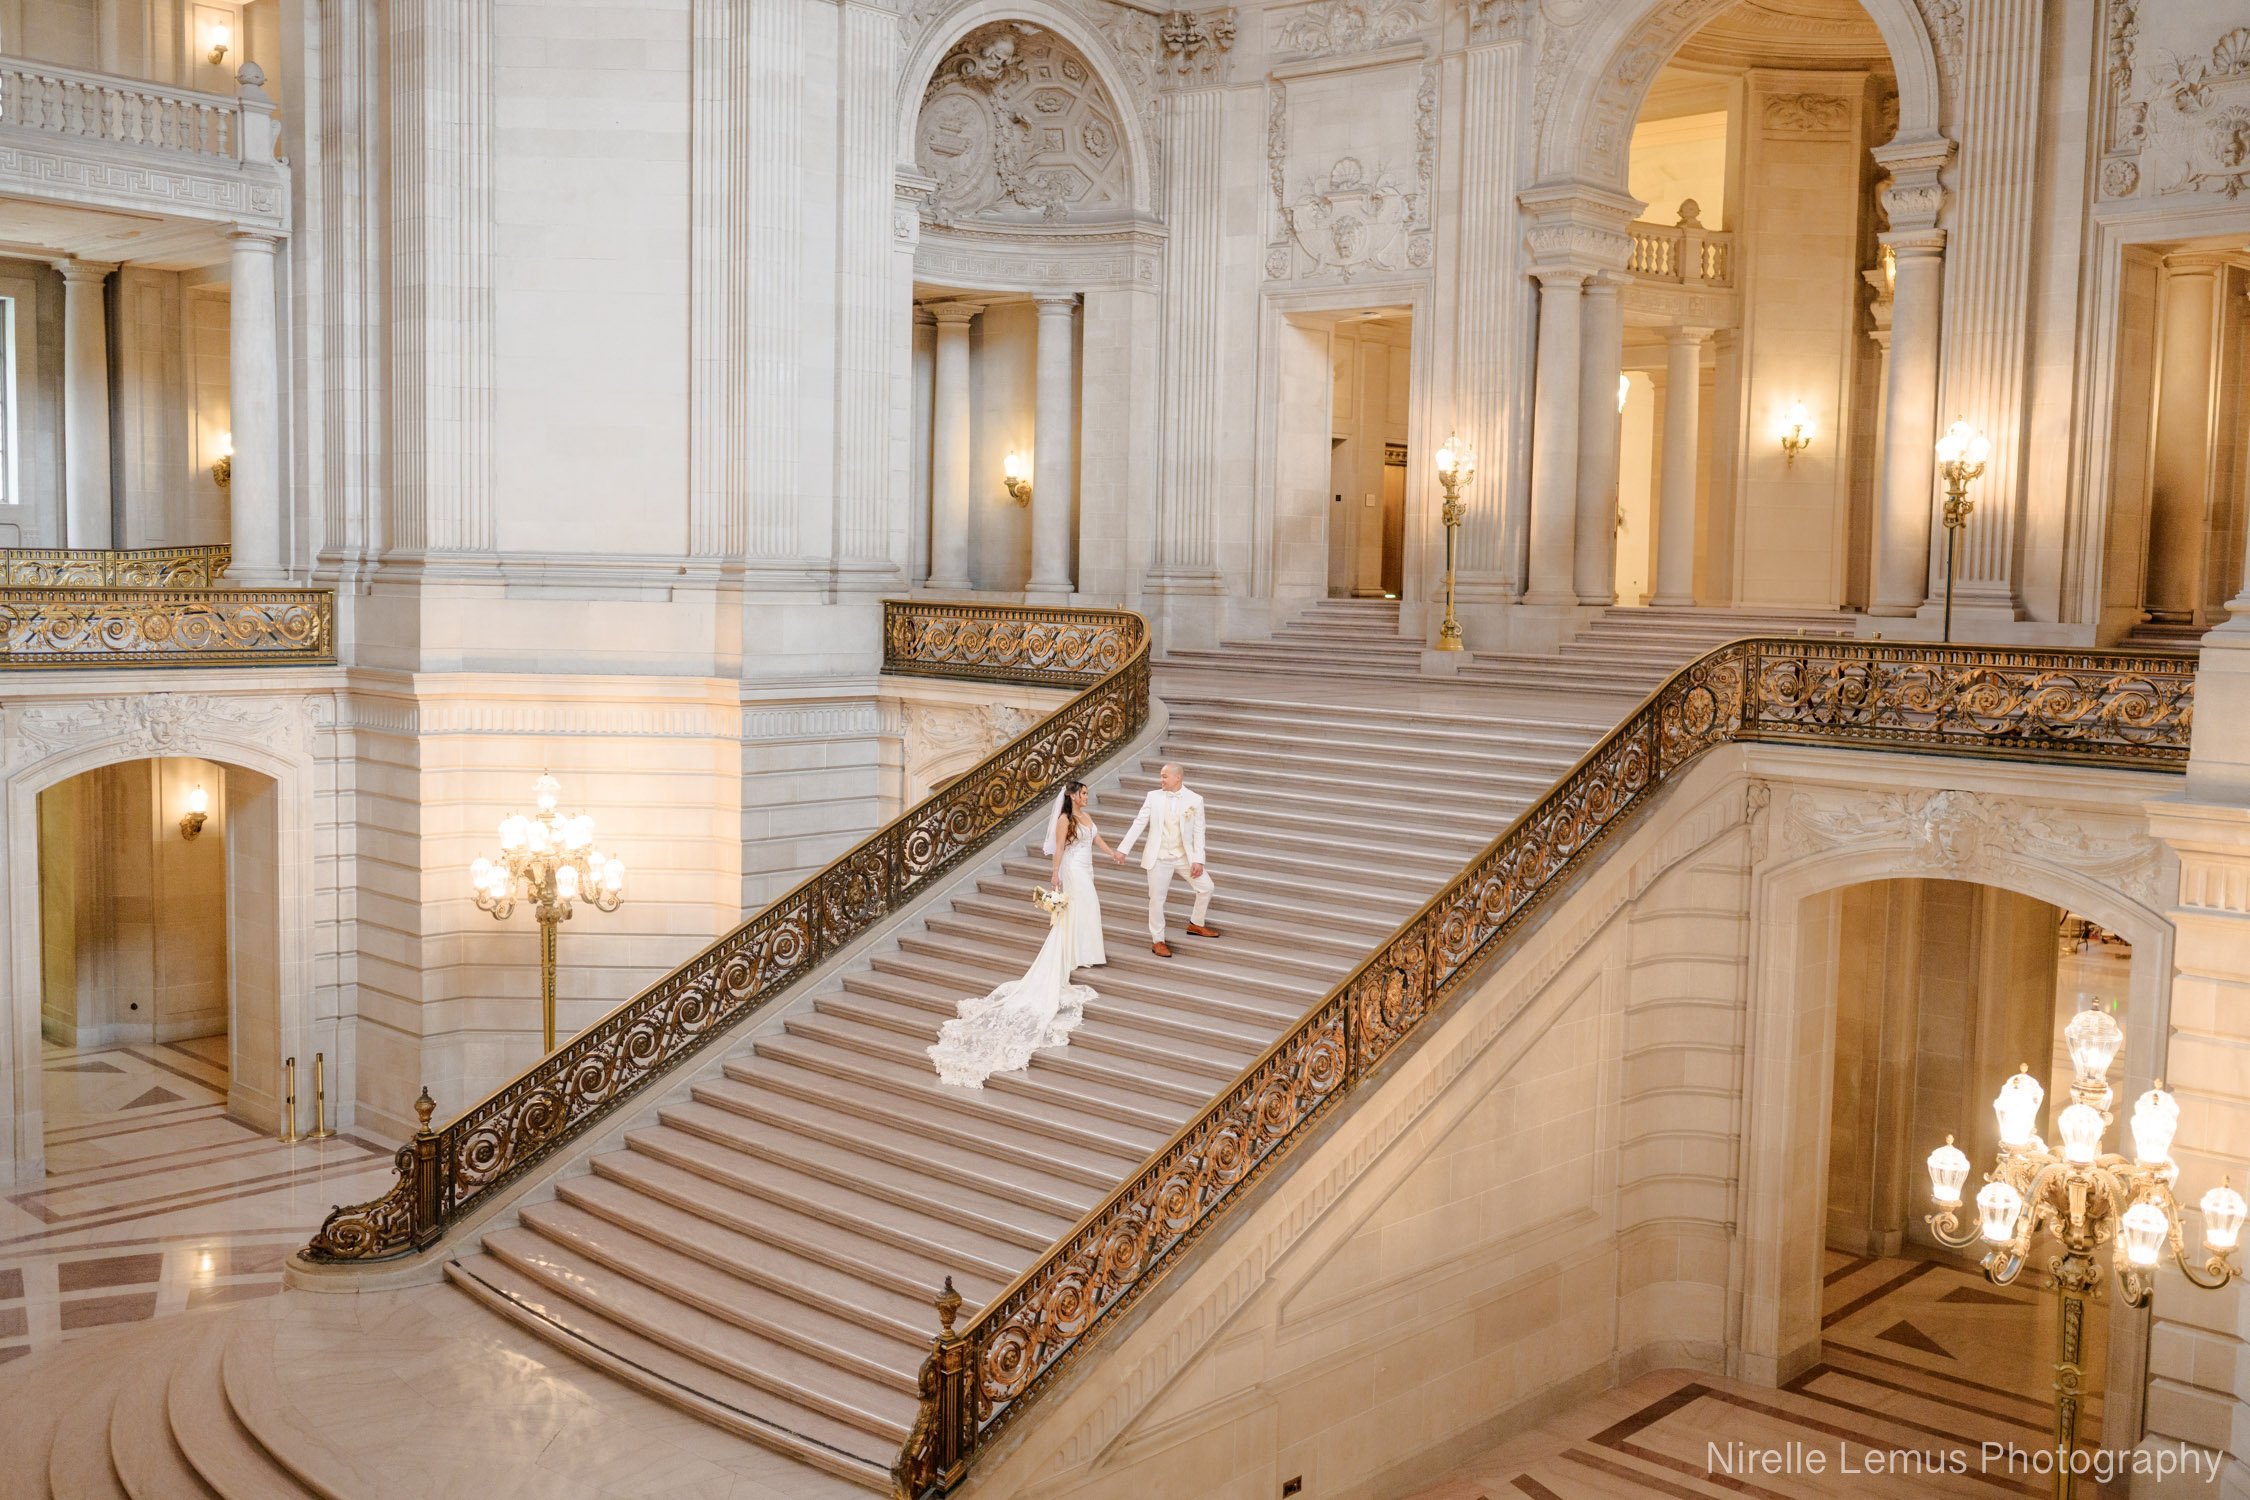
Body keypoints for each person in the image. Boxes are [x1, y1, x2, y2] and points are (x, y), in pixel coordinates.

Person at [928, 781, 1114, 1088]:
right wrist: (1055, 875)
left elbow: (1097, 840)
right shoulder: (1064, 820)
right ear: (1072, 795)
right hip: (1072, 869)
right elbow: (1058, 850)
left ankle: (1086, 951)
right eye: (1083, 792)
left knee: (1089, 908)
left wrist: (1113, 854)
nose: (1087, 796)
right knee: (1080, 907)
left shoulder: (1086, 818)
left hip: (1088, 867)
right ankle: (1073, 950)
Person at [1116, 763, 1220, 958]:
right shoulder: (1153, 797)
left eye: (1164, 776)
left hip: (1183, 857)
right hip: (1159, 856)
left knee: (1206, 887)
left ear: (1177, 777)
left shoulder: (1195, 800)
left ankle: (1196, 923)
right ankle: (1158, 940)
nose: (1161, 780)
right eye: (1161, 776)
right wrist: (1123, 850)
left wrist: (1198, 859)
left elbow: (1199, 831)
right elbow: (1139, 823)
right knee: (1157, 899)